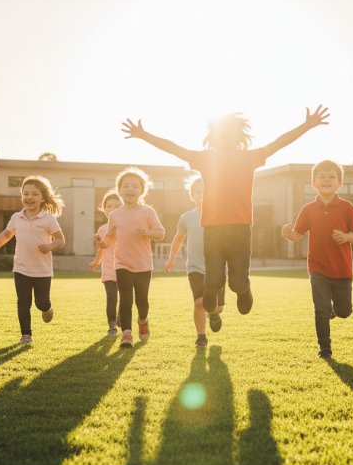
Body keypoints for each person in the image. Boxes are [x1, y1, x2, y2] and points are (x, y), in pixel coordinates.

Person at [121, 105, 329, 320]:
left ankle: (244, 290)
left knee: (237, 282)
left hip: (241, 229)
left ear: (239, 135)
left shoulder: (250, 157)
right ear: (213, 136)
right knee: (213, 280)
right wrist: (143, 135)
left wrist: (306, 125)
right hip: (213, 229)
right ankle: (212, 290)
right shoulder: (205, 159)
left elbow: (278, 143)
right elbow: (174, 148)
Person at [281, 160, 353, 359]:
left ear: (339, 183)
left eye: (331, 177)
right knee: (320, 310)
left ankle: (334, 310)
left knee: (344, 311)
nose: (327, 180)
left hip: (342, 269)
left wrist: (345, 237)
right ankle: (325, 349)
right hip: (317, 268)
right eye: (322, 177)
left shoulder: (347, 207)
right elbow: (297, 235)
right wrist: (288, 234)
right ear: (314, 183)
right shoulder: (308, 209)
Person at [0, 175, 65, 346]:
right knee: (23, 302)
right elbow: (6, 235)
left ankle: (47, 308)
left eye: (34, 194)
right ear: (21, 195)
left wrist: (49, 246)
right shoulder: (16, 217)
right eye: (26, 193)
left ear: (42, 198)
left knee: (41, 302)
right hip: (21, 268)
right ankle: (26, 335)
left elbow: (61, 240)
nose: (29, 197)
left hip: (42, 270)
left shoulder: (48, 218)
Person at [101, 167, 165, 348]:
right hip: (122, 263)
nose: (130, 189)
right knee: (126, 299)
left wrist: (147, 232)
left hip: (143, 264)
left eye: (135, 186)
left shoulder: (147, 212)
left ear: (142, 190)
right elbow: (110, 235)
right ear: (119, 189)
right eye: (126, 186)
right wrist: (103, 243)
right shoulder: (114, 215)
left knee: (142, 300)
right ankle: (126, 333)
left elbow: (161, 233)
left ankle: (143, 320)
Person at [165, 176, 226, 348]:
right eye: (199, 192)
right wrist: (171, 259)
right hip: (195, 268)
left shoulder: (221, 217)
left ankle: (213, 314)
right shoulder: (187, 218)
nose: (203, 195)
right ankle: (201, 336)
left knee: (217, 307)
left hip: (217, 268)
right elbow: (178, 239)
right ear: (192, 195)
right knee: (199, 302)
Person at [89, 190, 122, 337]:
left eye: (117, 206)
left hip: (126, 269)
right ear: (104, 209)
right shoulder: (102, 229)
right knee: (111, 297)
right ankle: (112, 326)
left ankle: (121, 316)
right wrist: (96, 261)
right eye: (109, 206)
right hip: (109, 270)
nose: (113, 209)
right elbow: (102, 249)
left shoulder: (126, 226)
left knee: (126, 298)